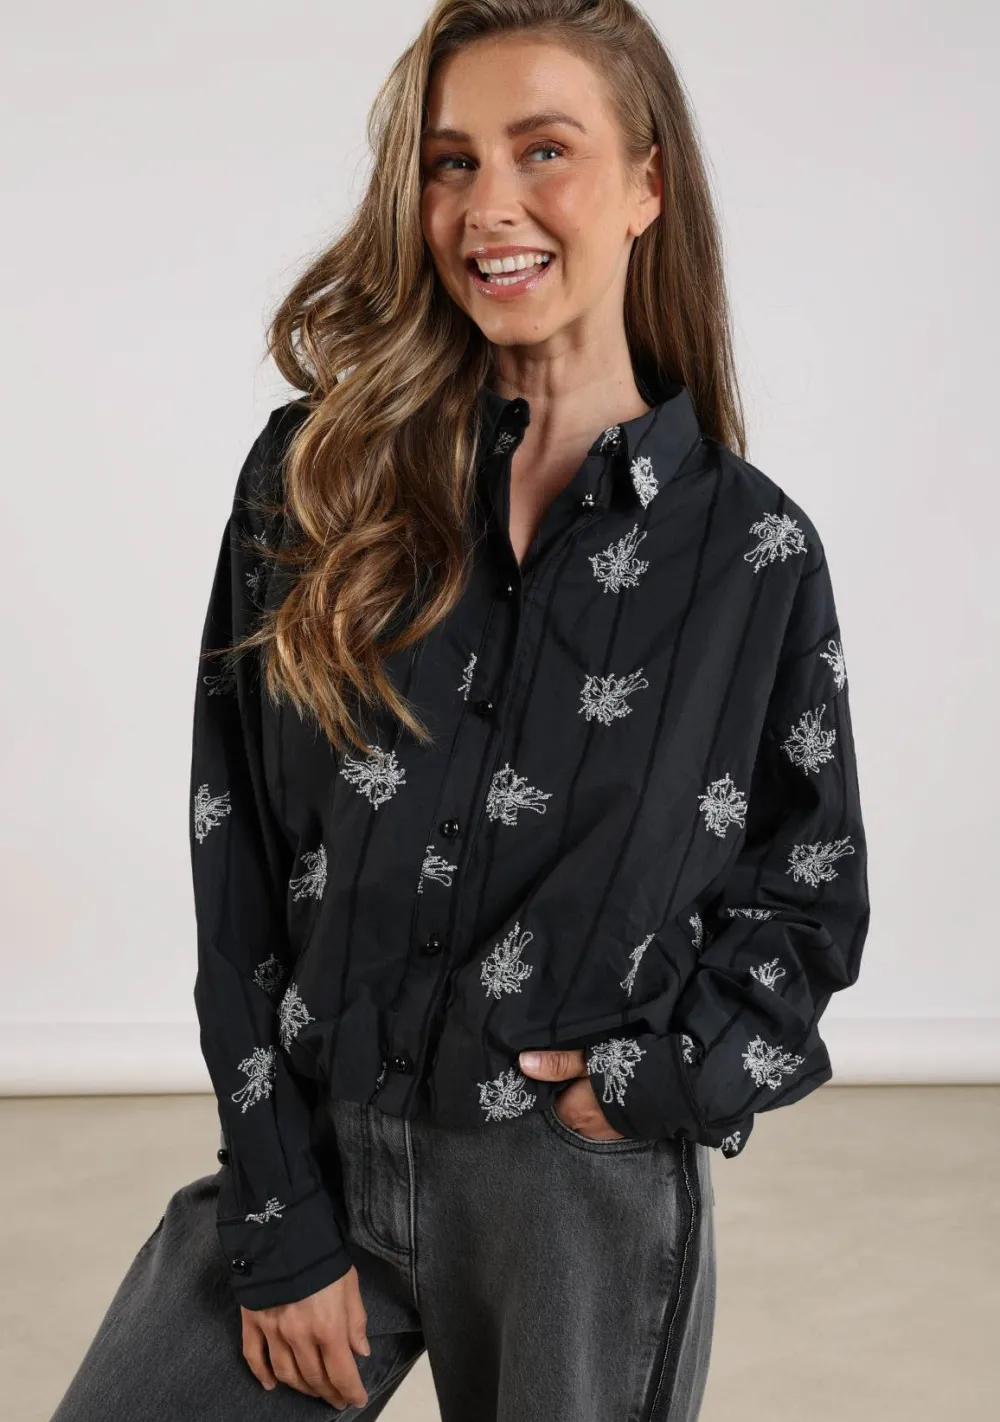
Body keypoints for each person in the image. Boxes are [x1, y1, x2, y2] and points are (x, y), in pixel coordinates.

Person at [51, 1, 870, 1419]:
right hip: (316, 1147)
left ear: (647, 184)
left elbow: (811, 889)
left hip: (573, 1194)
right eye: (451, 162)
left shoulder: (754, 557)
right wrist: (277, 1207)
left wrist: (657, 1086)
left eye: (544, 150)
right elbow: (232, 844)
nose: (490, 205)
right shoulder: (315, 479)